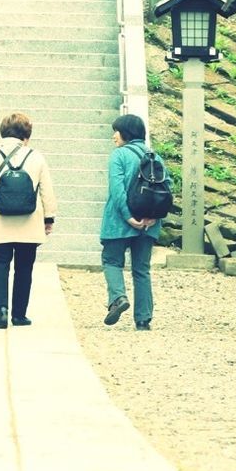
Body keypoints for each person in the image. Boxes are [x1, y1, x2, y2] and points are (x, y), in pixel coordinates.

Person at [0, 112, 57, 328]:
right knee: (24, 269)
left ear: (3, 133)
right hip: (30, 222)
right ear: (26, 135)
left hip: (0, 222)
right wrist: (49, 218)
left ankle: (1, 308)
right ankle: (19, 315)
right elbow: (47, 191)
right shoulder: (36, 157)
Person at [100, 113, 162, 330]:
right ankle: (143, 319)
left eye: (115, 131)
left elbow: (117, 190)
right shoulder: (155, 156)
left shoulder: (119, 155)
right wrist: (152, 217)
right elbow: (166, 189)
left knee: (111, 261)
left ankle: (118, 298)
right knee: (141, 269)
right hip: (148, 225)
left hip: (119, 222)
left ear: (125, 132)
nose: (113, 137)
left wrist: (128, 216)